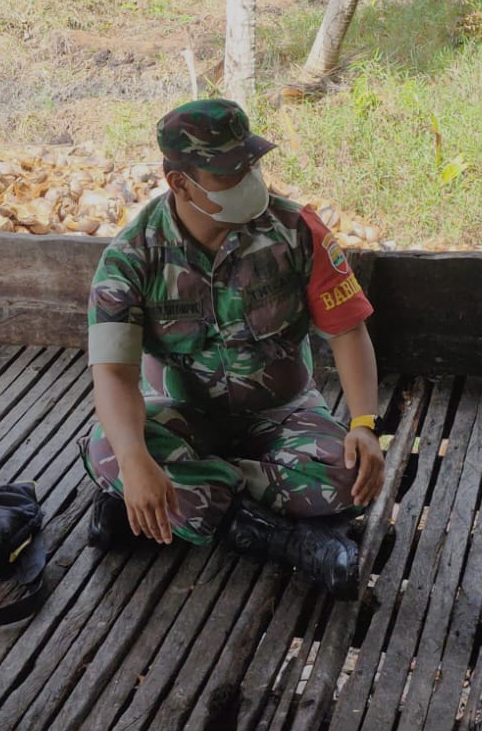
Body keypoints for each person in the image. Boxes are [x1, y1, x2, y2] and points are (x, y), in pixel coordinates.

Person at [80, 99, 386, 597]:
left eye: (250, 162)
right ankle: (272, 530)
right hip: (183, 416)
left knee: (347, 473)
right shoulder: (131, 259)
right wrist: (136, 460)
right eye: (227, 172)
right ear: (179, 182)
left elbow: (348, 332)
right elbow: (113, 375)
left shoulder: (295, 232)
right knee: (111, 450)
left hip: (284, 414)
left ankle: (184, 499)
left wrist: (364, 424)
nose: (248, 178)